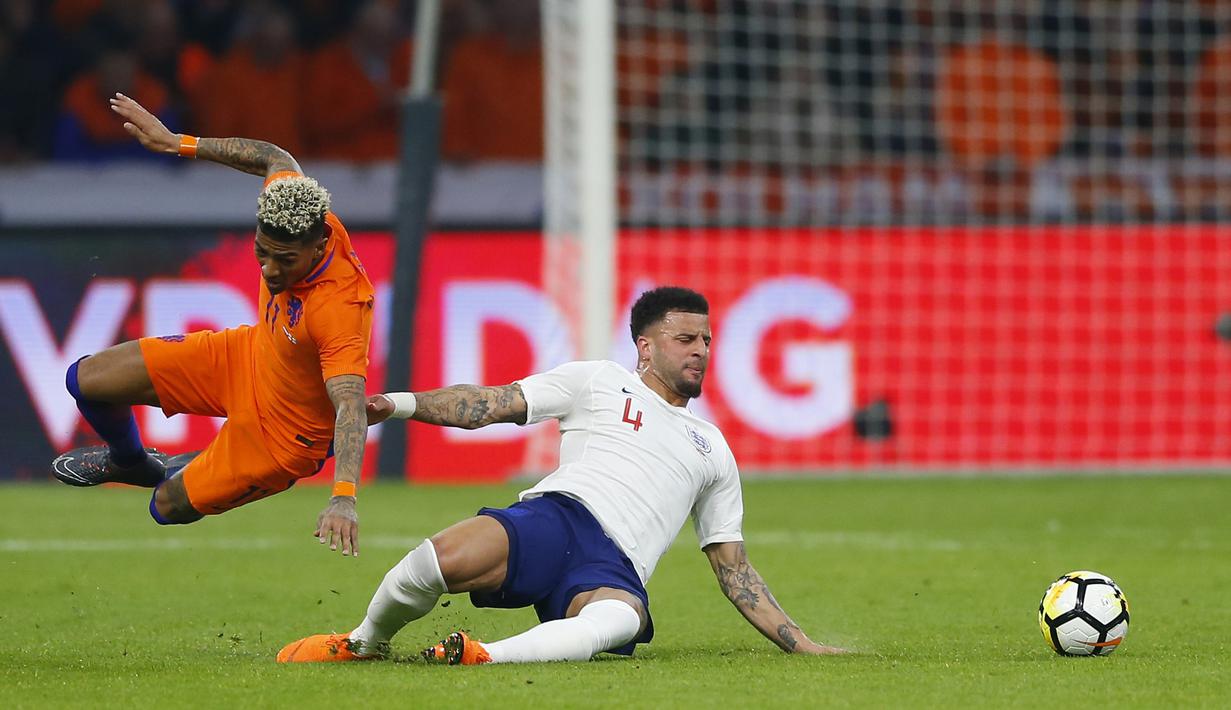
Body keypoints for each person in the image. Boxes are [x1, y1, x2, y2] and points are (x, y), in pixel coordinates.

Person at [278, 287, 846, 664]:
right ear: (645, 347)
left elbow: (733, 568)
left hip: (615, 567)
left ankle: (481, 655)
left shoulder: (713, 448)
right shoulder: (597, 381)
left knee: (621, 619)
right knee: (432, 562)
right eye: (685, 339)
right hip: (555, 518)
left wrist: (802, 644)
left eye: (706, 341)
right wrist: (399, 404)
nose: (700, 351)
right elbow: (491, 403)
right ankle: (364, 643)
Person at [50, 93, 374, 558]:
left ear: (320, 243)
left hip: (284, 436)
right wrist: (178, 142)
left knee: (166, 506)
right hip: (249, 356)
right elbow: (275, 156)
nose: (269, 271)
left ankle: (196, 470)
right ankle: (130, 461)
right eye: (262, 252)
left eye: (285, 260)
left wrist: (343, 497)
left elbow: (351, 406)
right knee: (86, 379)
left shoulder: (341, 305)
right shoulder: (292, 204)